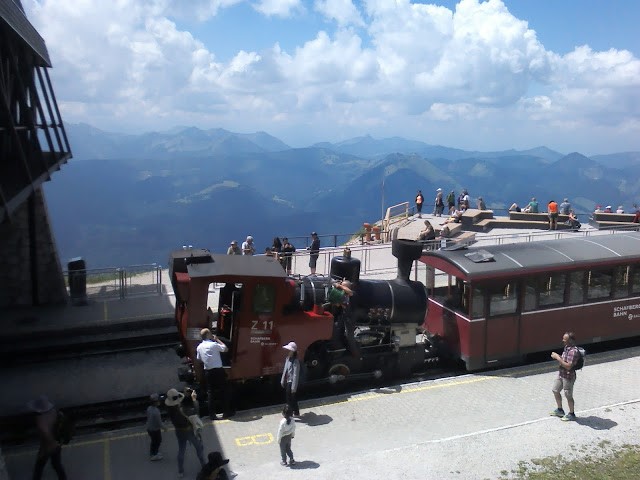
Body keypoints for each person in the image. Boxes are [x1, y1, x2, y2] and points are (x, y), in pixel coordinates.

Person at [165, 388, 206, 478]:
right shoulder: (183, 410)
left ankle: (180, 471)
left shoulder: (170, 410)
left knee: (181, 450)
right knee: (199, 447)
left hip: (178, 431)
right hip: (189, 431)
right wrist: (194, 400)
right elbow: (196, 413)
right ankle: (204, 465)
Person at [28, 395, 67, 480]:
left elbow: (46, 435)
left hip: (47, 447)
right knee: (56, 464)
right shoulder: (54, 412)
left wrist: (49, 446)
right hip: (57, 443)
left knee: (39, 466)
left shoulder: (40, 419)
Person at [196, 328, 230, 420]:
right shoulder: (214, 344)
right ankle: (226, 413)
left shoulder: (199, 347)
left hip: (208, 371)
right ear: (207, 335)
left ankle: (212, 415)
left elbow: (199, 359)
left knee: (210, 393)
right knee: (223, 391)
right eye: (210, 333)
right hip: (218, 371)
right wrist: (217, 339)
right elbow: (225, 349)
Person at [549, 332, 580, 422]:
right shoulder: (566, 348)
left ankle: (572, 414)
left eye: (564, 339)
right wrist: (558, 356)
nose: (563, 340)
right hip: (561, 373)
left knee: (568, 395)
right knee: (555, 390)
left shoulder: (573, 351)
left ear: (570, 341)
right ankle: (560, 410)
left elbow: (568, 366)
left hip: (568, 376)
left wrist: (558, 358)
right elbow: (564, 359)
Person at [280, 341, 301, 417]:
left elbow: (296, 375)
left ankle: (290, 413)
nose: (288, 351)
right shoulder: (287, 359)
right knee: (292, 398)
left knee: (289, 398)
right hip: (288, 380)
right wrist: (282, 380)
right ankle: (296, 412)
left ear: (292, 351)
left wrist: (293, 387)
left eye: (289, 350)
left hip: (291, 382)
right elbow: (285, 370)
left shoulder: (295, 361)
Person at [146, 393, 165, 461]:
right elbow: (159, 422)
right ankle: (154, 455)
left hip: (149, 428)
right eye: (158, 401)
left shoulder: (149, 408)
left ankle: (153, 453)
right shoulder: (156, 411)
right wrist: (164, 428)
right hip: (155, 430)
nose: (160, 402)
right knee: (158, 441)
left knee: (153, 441)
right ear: (155, 402)